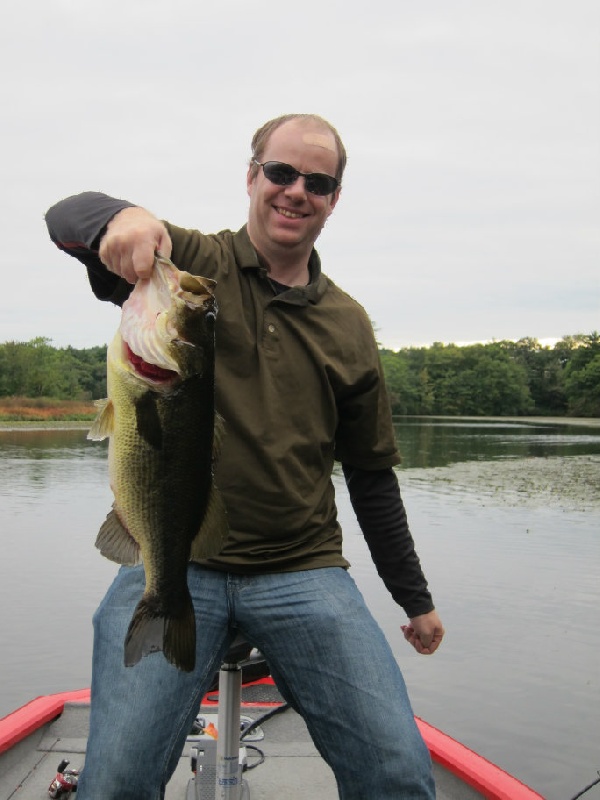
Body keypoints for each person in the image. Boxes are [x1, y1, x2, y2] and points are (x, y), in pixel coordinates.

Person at [45, 113, 444, 800]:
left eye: (317, 182)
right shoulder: (188, 267)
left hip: (302, 566)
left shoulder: (348, 325)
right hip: (176, 562)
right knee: (113, 782)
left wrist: (415, 598)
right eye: (281, 172)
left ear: (334, 198)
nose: (296, 191)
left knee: (399, 774)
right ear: (252, 175)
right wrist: (123, 218)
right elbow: (65, 219)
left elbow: (372, 477)